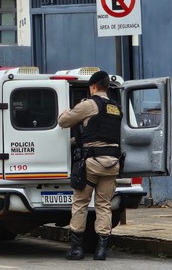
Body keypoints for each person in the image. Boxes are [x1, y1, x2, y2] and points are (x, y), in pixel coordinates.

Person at [58, 70, 122, 261]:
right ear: (107, 87)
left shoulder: (89, 104)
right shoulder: (115, 107)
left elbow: (64, 121)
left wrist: (65, 112)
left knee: (80, 203)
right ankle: (101, 250)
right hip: (112, 164)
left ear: (93, 87)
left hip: (92, 163)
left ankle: (76, 249)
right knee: (104, 206)